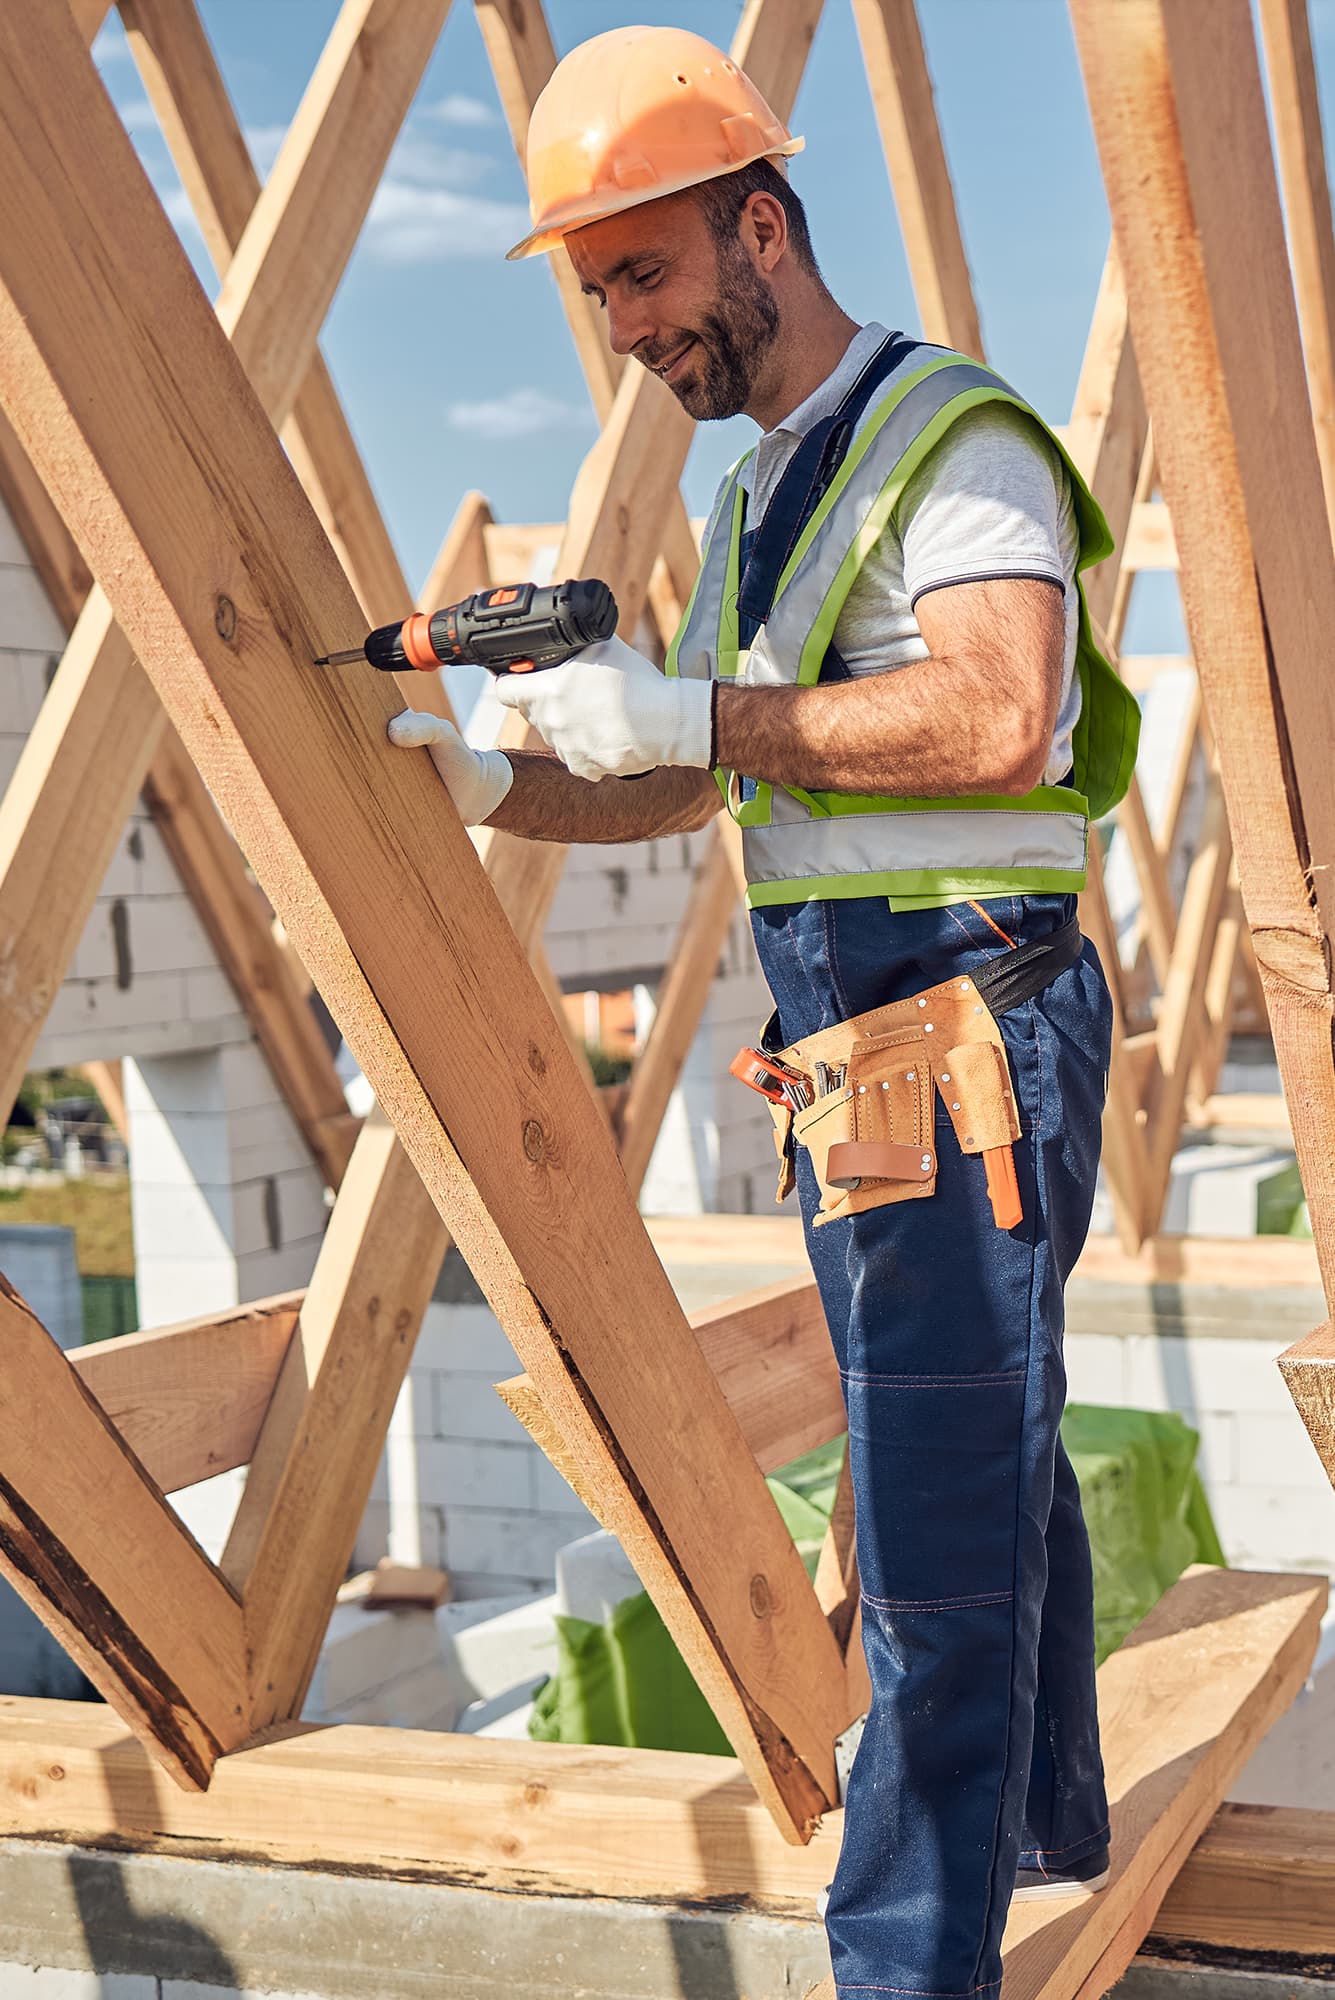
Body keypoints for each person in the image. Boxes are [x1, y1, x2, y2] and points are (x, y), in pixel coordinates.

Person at [389, 25, 1139, 1999]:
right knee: (995, 1452)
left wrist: (693, 712)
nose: (626, 328)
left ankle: (905, 1969)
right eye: (594, 291)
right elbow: (702, 769)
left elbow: (993, 715)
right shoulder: (759, 504)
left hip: (970, 1046)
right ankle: (1049, 1816)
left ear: (760, 224)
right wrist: (503, 784)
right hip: (877, 1067)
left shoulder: (946, 441)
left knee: (925, 1542)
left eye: (641, 273)